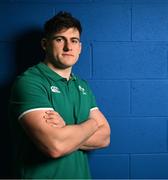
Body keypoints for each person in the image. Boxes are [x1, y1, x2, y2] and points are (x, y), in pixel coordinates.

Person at [9, 11, 111, 179]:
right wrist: (93, 124)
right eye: (59, 39)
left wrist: (65, 130)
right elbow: (55, 145)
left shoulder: (82, 86)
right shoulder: (30, 82)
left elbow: (105, 137)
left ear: (80, 47)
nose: (68, 47)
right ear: (45, 44)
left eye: (74, 41)